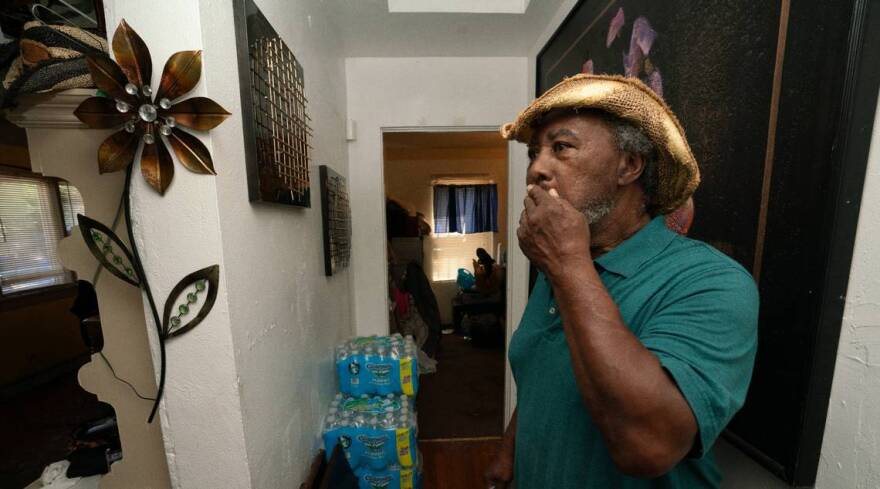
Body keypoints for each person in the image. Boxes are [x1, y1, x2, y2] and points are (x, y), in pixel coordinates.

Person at [484, 74, 759, 488]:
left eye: (561, 148)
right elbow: (544, 377)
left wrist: (568, 265)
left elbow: (646, 447)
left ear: (628, 166)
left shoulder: (713, 282)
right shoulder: (559, 267)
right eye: (534, 153)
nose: (537, 169)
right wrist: (508, 454)